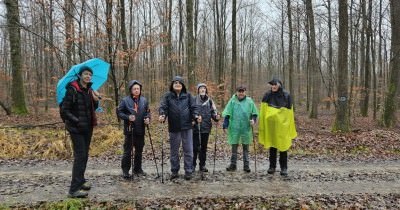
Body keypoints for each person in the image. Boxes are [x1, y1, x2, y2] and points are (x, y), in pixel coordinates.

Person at [61, 66, 101, 198]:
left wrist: (95, 101)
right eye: (85, 74)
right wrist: (77, 120)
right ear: (80, 75)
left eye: (90, 74)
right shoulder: (72, 89)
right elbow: (64, 110)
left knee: (85, 155)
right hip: (76, 128)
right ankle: (73, 190)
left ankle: (81, 181)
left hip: (87, 128)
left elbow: (90, 109)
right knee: (80, 157)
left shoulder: (89, 90)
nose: (88, 76)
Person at [158, 76, 201, 180]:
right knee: (174, 151)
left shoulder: (188, 95)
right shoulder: (167, 96)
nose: (177, 84)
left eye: (180, 83)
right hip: (174, 127)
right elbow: (163, 107)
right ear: (172, 85)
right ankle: (174, 171)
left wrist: (196, 116)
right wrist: (162, 114)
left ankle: (188, 171)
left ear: (183, 85)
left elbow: (194, 107)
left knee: (188, 150)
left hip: (187, 127)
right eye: (175, 83)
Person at [258, 78, 297, 176]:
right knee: (272, 146)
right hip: (271, 126)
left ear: (279, 85)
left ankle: (284, 168)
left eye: (275, 84)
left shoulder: (286, 95)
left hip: (282, 126)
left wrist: (286, 124)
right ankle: (272, 167)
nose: (273, 86)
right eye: (272, 84)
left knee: (283, 147)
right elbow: (263, 111)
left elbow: (289, 113)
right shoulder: (267, 95)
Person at [117, 80, 150, 179]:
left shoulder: (144, 100)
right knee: (128, 151)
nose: (136, 90)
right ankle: (126, 171)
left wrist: (148, 118)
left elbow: (147, 112)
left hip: (141, 129)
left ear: (140, 90)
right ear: (131, 90)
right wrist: (128, 117)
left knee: (139, 150)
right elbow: (119, 112)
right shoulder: (125, 100)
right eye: (134, 89)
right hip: (130, 130)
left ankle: (137, 169)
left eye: (138, 89)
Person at [222, 85, 258, 173]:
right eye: (239, 91)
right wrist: (225, 124)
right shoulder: (232, 101)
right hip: (234, 127)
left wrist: (253, 120)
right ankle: (233, 165)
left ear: (245, 92)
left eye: (242, 91)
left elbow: (254, 113)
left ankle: (246, 166)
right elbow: (227, 113)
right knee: (234, 147)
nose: (241, 93)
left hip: (246, 127)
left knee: (245, 148)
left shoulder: (249, 101)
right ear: (236, 92)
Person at [192, 83, 220, 172]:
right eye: (201, 88)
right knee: (194, 148)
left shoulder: (210, 101)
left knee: (203, 148)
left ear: (206, 90)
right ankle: (192, 165)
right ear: (198, 90)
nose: (202, 89)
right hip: (195, 128)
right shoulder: (193, 100)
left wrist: (216, 117)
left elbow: (214, 112)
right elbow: (191, 112)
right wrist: (195, 118)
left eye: (204, 88)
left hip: (206, 128)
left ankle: (202, 165)